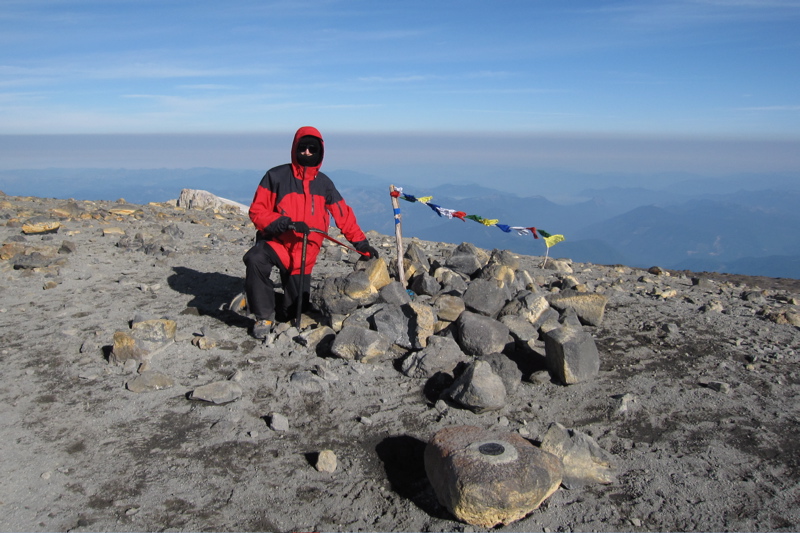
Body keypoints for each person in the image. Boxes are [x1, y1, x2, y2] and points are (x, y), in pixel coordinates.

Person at [241, 126, 379, 339]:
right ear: (295, 148)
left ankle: (251, 298)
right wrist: (284, 223)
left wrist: (360, 243)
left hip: (305, 254)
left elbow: (343, 213)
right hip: (278, 243)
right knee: (255, 258)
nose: (307, 152)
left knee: (293, 312)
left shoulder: (324, 183)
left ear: (320, 153)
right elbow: (257, 211)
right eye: (303, 148)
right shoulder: (275, 176)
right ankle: (263, 316)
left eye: (312, 149)